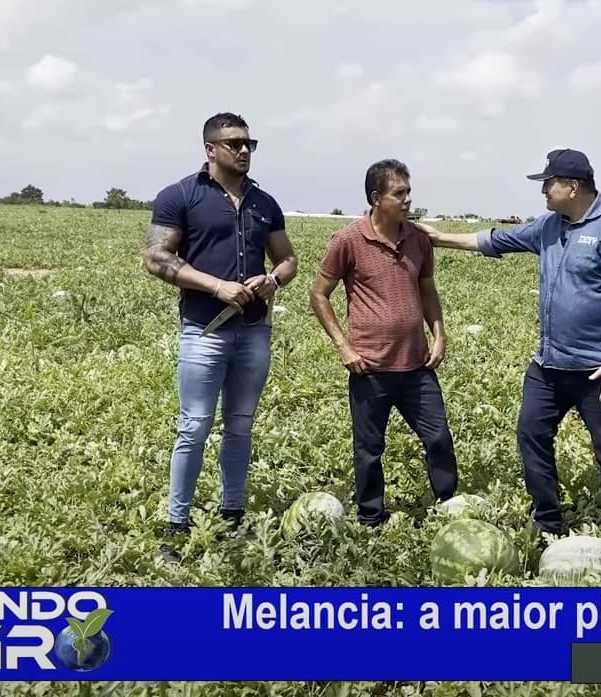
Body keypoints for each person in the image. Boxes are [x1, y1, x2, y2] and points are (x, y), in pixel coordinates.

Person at [418, 148, 601, 536]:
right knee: (531, 434)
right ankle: (547, 522)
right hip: (549, 365)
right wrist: (440, 239)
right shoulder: (549, 226)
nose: (543, 191)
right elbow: (497, 239)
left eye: (548, 183)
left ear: (572, 186)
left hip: (598, 366)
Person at [142, 112, 298, 562]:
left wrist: (273, 280)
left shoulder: (264, 202)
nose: (244, 150)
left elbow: (287, 259)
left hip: (252, 333)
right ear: (210, 150)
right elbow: (156, 258)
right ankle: (177, 525)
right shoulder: (180, 196)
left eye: (249, 142)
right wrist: (216, 285)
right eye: (234, 143)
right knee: (193, 426)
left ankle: (233, 515)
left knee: (241, 427)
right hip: (203, 331)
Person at [309, 159, 458, 527]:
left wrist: (438, 333)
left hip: (417, 367)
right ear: (377, 198)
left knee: (438, 437)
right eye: (399, 193)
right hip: (370, 367)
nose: (408, 200)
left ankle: (449, 508)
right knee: (369, 450)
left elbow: (427, 290)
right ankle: (371, 517)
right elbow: (318, 294)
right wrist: (343, 346)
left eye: (409, 192)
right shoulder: (348, 240)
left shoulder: (419, 240)